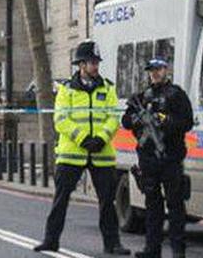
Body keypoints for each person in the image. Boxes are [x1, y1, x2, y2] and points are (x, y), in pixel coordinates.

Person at [34, 41, 130, 255]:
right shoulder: (67, 89)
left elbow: (114, 118)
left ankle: (112, 244)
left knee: (107, 202)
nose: (95, 66)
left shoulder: (108, 87)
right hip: (71, 154)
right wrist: (83, 138)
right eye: (91, 62)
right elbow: (61, 119)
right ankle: (51, 240)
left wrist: (101, 138)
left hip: (102, 153)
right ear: (81, 64)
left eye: (96, 62)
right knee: (61, 200)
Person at [121, 58, 194, 258]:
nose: (155, 73)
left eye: (158, 69)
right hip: (148, 159)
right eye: (152, 70)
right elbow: (126, 121)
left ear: (166, 70)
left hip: (170, 157)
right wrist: (137, 119)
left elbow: (187, 122)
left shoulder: (176, 95)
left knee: (175, 205)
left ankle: (178, 250)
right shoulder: (142, 97)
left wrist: (165, 121)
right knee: (152, 205)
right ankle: (152, 249)